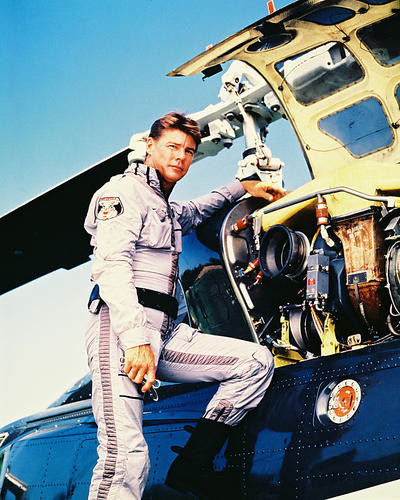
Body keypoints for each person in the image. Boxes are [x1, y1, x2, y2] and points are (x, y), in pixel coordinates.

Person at [84, 111, 285, 500]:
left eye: (189, 151)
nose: (180, 156)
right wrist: (135, 339)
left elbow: (195, 210)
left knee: (255, 363)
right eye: (172, 146)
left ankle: (193, 466)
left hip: (164, 331)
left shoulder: (164, 207)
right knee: (126, 458)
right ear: (149, 146)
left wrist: (242, 187)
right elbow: (111, 265)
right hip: (121, 331)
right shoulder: (122, 192)